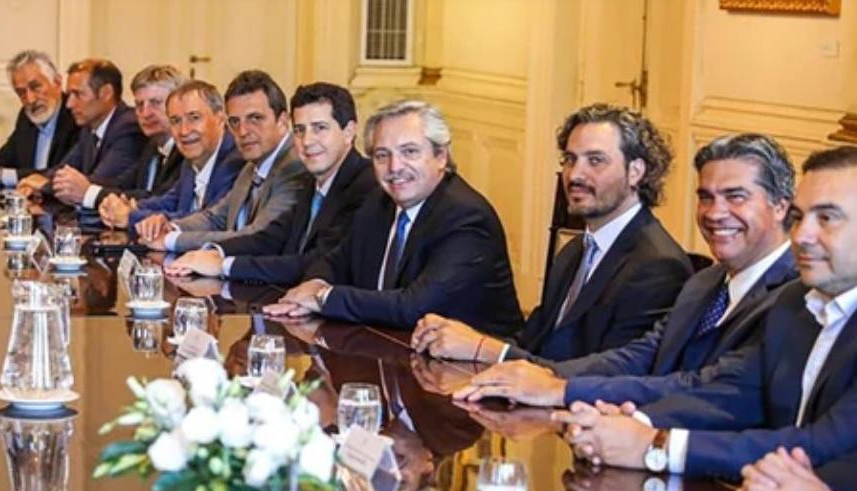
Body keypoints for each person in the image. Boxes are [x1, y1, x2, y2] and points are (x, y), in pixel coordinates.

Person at [555, 146, 857, 480]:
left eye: (826, 219)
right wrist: (632, 424)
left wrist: (656, 446)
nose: (802, 236)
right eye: (800, 218)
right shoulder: (796, 301)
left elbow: (821, 445)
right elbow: (732, 394)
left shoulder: (785, 294)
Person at [455, 133, 799, 407]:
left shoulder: (795, 298)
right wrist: (538, 377)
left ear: (781, 205)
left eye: (735, 197)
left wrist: (561, 391)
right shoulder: (705, 282)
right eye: (706, 197)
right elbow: (637, 357)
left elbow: (702, 386)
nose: (714, 213)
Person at [411, 103, 691, 362]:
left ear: (636, 172)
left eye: (595, 161)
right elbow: (534, 343)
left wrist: (484, 348)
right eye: (570, 159)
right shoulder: (574, 250)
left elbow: (607, 377)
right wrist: (460, 339)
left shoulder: (657, 267)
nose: (574, 175)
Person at [263, 99, 523, 334]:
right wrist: (314, 283)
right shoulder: (380, 202)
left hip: (471, 370)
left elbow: (415, 307)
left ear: (441, 156)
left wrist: (322, 298)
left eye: (409, 152)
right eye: (382, 156)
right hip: (391, 347)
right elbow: (337, 260)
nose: (395, 168)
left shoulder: (465, 217)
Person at [165, 82, 376, 285]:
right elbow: (271, 237)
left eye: (320, 128)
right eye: (300, 130)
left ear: (349, 132)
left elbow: (320, 261)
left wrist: (225, 265)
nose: (307, 141)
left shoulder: (366, 185)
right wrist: (213, 252)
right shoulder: (314, 180)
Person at [133, 69, 306, 252]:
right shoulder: (252, 165)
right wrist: (172, 227)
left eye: (255, 118)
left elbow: (256, 237)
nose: (243, 131)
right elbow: (215, 217)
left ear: (283, 121)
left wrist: (172, 240)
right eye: (235, 122)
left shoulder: (293, 166)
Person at [98, 80, 243, 232]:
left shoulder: (236, 161)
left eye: (194, 118)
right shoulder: (192, 158)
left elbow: (206, 220)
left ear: (220, 118)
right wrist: (127, 207)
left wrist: (132, 216)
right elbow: (170, 201)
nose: (184, 131)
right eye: (175, 121)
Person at [17, 58, 146, 206]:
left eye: (78, 94)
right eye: (69, 94)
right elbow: (63, 169)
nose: (69, 104)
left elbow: (96, 183)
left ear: (106, 93)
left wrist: (43, 186)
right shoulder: (89, 127)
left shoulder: (128, 127)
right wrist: (33, 180)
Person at [0, 50, 79, 187]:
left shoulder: (76, 115)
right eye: (21, 93)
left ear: (57, 82)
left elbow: (60, 172)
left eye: (35, 87)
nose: (30, 100)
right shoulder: (26, 116)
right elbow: (7, 155)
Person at [90, 65, 187, 208]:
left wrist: (89, 193)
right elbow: (122, 185)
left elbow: (159, 198)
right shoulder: (152, 146)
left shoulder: (186, 150)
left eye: (155, 103)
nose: (145, 113)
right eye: (139, 104)